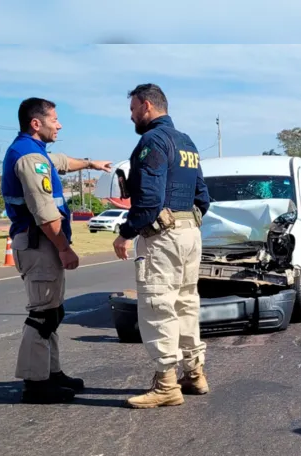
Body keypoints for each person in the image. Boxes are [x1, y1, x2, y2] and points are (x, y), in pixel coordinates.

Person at [2, 97, 112, 404]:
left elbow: (61, 161)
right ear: (36, 123)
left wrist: (91, 163)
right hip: (39, 243)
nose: (59, 124)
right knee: (41, 315)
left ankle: (51, 373)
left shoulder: (37, 152)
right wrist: (65, 249)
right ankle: (35, 384)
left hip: (43, 243)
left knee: (53, 312)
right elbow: (44, 211)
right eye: (55, 119)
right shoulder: (29, 158)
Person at [112, 83, 211, 409]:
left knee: (158, 306)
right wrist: (186, 222)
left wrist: (126, 232)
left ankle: (167, 385)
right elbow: (202, 196)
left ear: (146, 106)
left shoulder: (152, 141)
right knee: (186, 304)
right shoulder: (187, 142)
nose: (132, 117)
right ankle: (195, 374)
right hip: (190, 234)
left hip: (163, 237)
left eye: (133, 110)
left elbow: (150, 199)